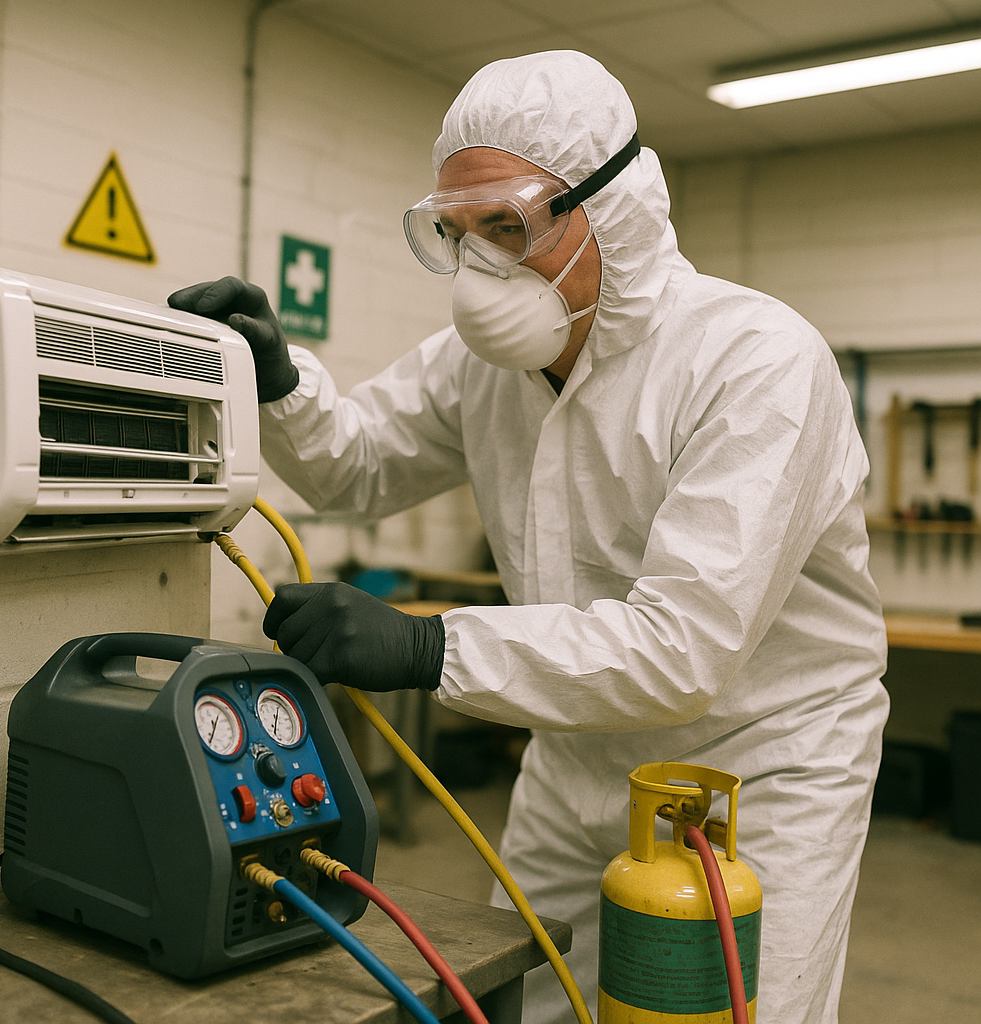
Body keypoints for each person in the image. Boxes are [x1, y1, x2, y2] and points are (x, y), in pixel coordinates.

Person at [169, 50, 888, 1024]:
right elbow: (357, 464)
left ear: (614, 212)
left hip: (754, 771)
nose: (480, 269)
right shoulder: (483, 367)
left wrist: (432, 644)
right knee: (526, 995)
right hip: (576, 756)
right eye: (457, 234)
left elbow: (684, 648)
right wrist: (278, 379)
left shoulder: (753, 360)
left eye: (506, 227)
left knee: (728, 1011)